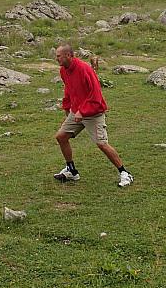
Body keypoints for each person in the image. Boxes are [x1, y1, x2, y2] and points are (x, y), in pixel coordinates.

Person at [53, 44, 133, 187]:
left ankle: (124, 173)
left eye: (59, 56)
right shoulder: (63, 70)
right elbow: (69, 90)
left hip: (93, 112)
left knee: (102, 144)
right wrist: (67, 107)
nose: (56, 58)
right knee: (61, 137)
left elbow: (96, 95)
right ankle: (71, 171)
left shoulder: (84, 69)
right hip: (77, 111)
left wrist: (82, 111)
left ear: (69, 56)